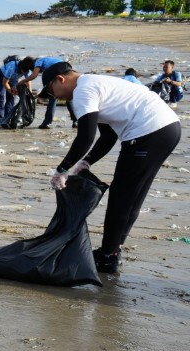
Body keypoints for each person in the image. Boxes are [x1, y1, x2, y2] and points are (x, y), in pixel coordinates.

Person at [44, 61, 181, 274]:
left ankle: (108, 256)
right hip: (168, 127)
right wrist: (86, 162)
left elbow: (86, 137)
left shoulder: (83, 91)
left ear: (60, 79)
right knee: (132, 196)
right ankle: (113, 250)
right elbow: (107, 136)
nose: (55, 96)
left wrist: (62, 169)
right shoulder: (95, 82)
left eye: (51, 90)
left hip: (148, 131)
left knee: (121, 197)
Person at [16, 55, 76, 128]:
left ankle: (47, 123)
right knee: (68, 97)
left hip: (57, 68)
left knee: (52, 97)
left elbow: (34, 75)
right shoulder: (47, 59)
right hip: (67, 68)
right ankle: (76, 121)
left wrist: (22, 81)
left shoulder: (38, 62)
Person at [0, 55, 20, 126]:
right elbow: (4, 82)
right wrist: (9, 90)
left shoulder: (22, 68)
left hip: (13, 79)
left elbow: (28, 80)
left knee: (11, 98)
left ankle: (7, 118)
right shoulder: (11, 67)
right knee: (0, 97)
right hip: (1, 77)